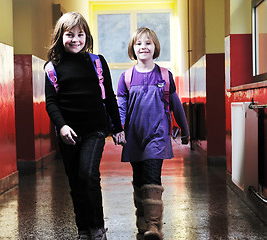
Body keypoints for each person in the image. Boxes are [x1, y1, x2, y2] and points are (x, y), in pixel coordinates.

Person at [45, 12, 125, 240]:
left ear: (87, 36)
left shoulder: (97, 62)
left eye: (80, 35)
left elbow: (109, 95)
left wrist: (118, 128)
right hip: (68, 132)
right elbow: (51, 103)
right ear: (60, 37)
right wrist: (61, 127)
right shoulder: (52, 67)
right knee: (75, 181)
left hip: (95, 129)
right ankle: (83, 229)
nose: (75, 40)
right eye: (70, 35)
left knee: (88, 174)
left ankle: (98, 228)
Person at [117, 27, 190, 240]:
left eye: (148, 43)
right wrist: (118, 129)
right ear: (133, 48)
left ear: (155, 47)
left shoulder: (165, 75)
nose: (143, 47)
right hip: (134, 137)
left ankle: (154, 226)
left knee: (152, 177)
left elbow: (176, 106)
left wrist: (185, 131)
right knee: (139, 178)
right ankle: (143, 222)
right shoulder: (126, 77)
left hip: (157, 136)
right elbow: (121, 107)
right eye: (139, 43)